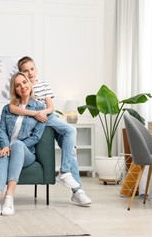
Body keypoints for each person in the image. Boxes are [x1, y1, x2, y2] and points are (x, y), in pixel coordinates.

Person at [9, 56, 92, 206]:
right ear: (21, 73)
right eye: (25, 71)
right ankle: (76, 189)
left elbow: (51, 107)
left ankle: (69, 178)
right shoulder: (24, 88)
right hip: (36, 120)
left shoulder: (44, 85)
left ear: (36, 69)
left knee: (70, 136)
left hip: (48, 116)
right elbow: (13, 107)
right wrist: (36, 114)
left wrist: (44, 112)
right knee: (71, 145)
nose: (30, 73)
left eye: (32, 69)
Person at [0, 72, 46, 219]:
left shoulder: (40, 107)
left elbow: (36, 137)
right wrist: (5, 145)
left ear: (29, 83)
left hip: (25, 152)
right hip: (2, 148)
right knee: (3, 157)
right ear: (15, 89)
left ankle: (9, 198)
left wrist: (12, 147)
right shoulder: (8, 108)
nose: (22, 87)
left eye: (24, 82)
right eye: (18, 85)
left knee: (18, 145)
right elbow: (1, 130)